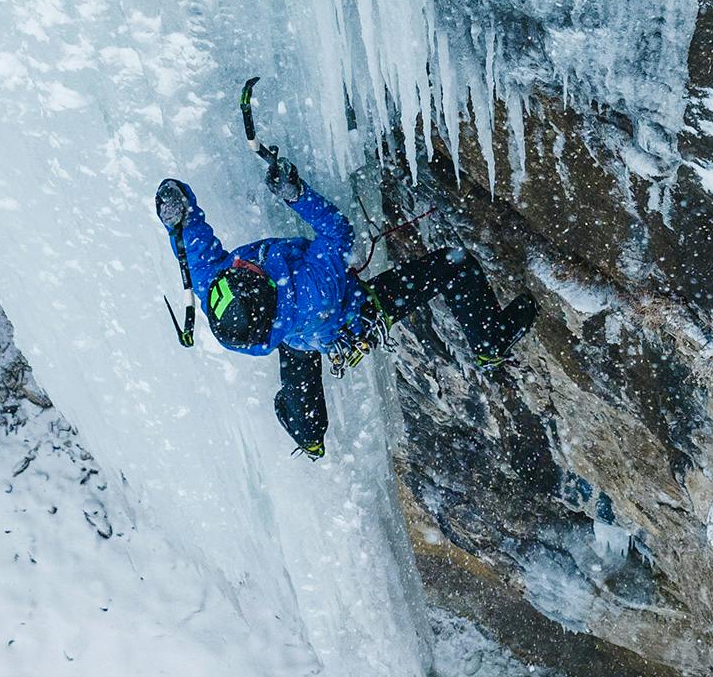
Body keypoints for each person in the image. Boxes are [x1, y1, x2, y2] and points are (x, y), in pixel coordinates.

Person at [156, 151, 535, 458]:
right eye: (247, 268)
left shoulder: (218, 294)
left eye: (238, 267)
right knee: (455, 264)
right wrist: (296, 195)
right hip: (355, 316)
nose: (240, 262)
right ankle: (490, 341)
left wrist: (179, 212)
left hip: (292, 338)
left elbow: (193, 241)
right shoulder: (312, 288)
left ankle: (309, 436)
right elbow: (338, 231)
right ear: (264, 281)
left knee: (307, 420)